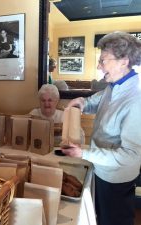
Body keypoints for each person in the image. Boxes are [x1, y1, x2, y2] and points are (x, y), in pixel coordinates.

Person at [61, 31, 141, 225]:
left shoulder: (135, 100)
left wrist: (84, 153)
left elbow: (131, 155)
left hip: (116, 180)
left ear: (123, 61)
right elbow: (92, 102)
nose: (98, 65)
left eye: (103, 60)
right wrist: (80, 102)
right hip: (101, 171)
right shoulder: (114, 86)